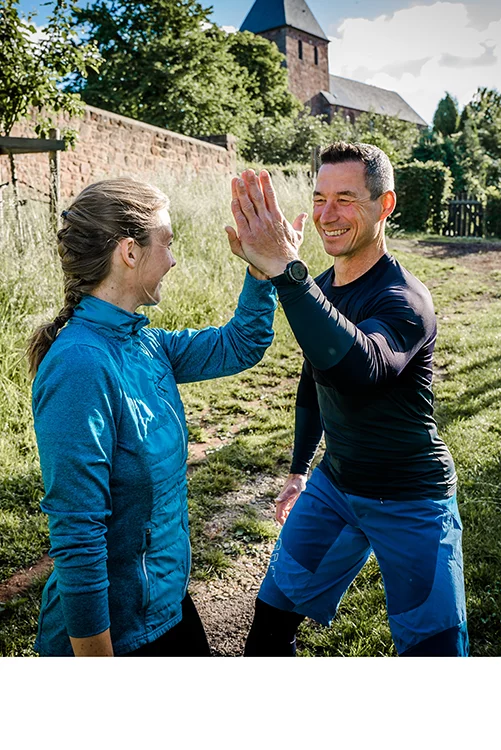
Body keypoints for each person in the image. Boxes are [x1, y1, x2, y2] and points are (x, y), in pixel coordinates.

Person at [226, 144, 468, 657]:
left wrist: (287, 274)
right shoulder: (318, 290)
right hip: (335, 488)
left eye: (345, 199)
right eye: (318, 198)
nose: (326, 215)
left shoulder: (405, 301)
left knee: (435, 660)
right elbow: (315, 378)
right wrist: (298, 471)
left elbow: (358, 369)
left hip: (411, 499)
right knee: (268, 628)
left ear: (385, 205)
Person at [28, 176, 279, 657]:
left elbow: (239, 344)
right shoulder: (80, 366)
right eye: (166, 242)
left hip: (167, 610)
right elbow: (78, 535)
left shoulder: (145, 343)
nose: (172, 258)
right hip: (115, 639)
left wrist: (262, 271)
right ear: (129, 252)